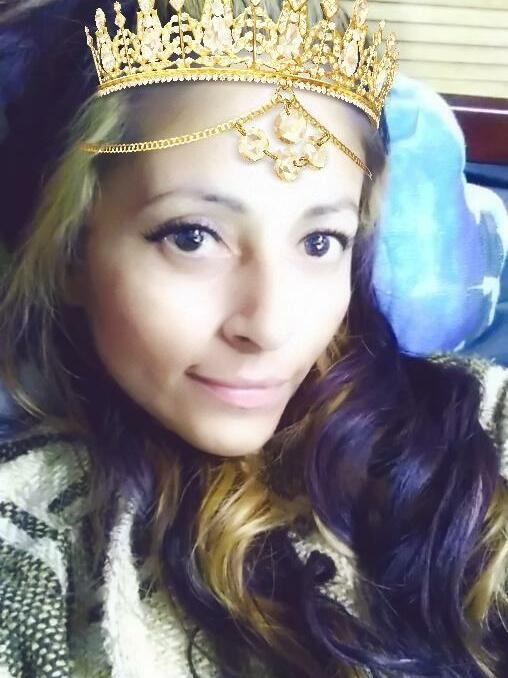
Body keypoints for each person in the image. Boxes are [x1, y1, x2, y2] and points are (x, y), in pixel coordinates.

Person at [0, 0, 507, 676]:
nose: (270, 326)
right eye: (192, 236)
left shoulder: (479, 427)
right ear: (71, 254)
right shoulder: (28, 534)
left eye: (320, 241)